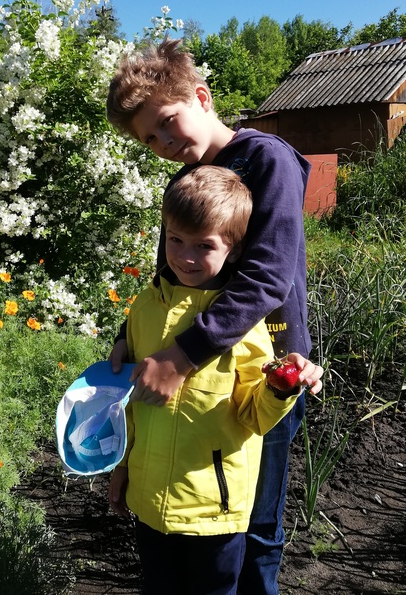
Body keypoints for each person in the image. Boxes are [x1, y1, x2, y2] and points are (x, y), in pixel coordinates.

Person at [106, 39, 323, 595]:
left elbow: (267, 278)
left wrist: (180, 356)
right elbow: (166, 281)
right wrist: (128, 337)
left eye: (167, 123)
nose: (162, 143)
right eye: (148, 139)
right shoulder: (183, 180)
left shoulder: (266, 159)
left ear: (201, 97)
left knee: (255, 522)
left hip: (261, 372)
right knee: (200, 514)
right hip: (191, 372)